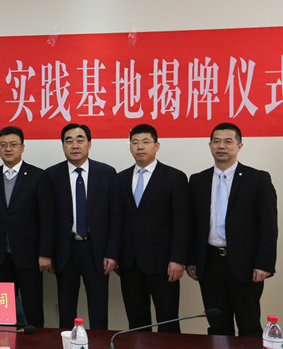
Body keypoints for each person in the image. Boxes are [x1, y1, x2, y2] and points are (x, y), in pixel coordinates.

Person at [187, 122, 277, 337]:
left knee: (249, 325)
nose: (222, 146)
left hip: (246, 266)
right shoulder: (198, 180)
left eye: (228, 141)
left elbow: (268, 225)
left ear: (239, 146)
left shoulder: (258, 179)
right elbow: (192, 224)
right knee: (218, 326)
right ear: (210, 145)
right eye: (216, 141)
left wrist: (264, 263)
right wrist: (192, 260)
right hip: (210, 264)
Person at [46, 124, 122, 330]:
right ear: (62, 145)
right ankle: (67, 346)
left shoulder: (106, 173)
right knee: (66, 309)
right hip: (65, 250)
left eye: (80, 140)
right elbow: (47, 218)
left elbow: (115, 216)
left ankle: (100, 346)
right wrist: (48, 253)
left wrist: (112, 253)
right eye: (69, 140)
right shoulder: (51, 175)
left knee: (98, 309)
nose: (75, 145)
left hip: (96, 250)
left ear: (89, 143)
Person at [117, 124, 188, 332]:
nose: (140, 147)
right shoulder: (120, 179)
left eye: (146, 142)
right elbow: (117, 220)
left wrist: (178, 259)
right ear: (130, 147)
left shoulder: (174, 178)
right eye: (135, 142)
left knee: (167, 320)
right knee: (136, 322)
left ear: (157, 146)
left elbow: (182, 222)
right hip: (129, 263)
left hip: (164, 263)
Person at [0, 126, 54, 327]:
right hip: (0, 255)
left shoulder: (38, 176)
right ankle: (6, 341)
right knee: (3, 308)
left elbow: (47, 218)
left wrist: (45, 253)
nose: (8, 149)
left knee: (32, 306)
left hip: (30, 254)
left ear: (22, 147)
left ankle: (34, 342)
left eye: (13, 144)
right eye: (3, 145)